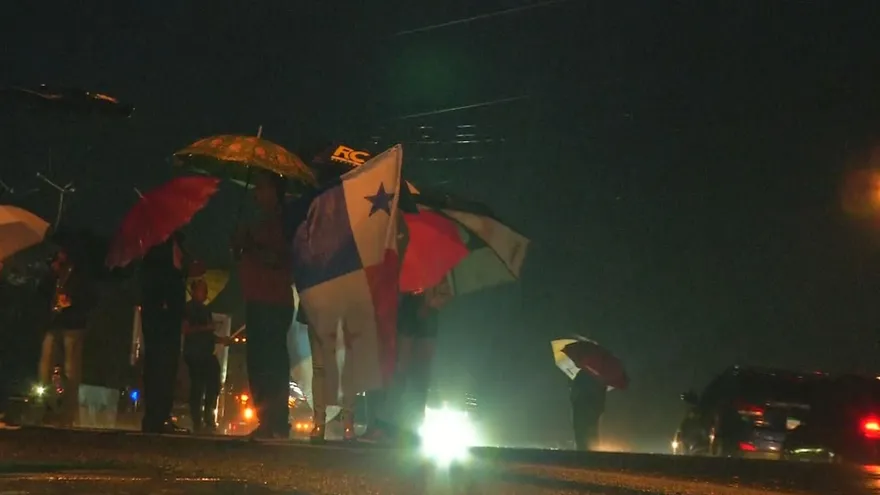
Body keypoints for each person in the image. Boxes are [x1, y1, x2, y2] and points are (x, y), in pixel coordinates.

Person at [233, 171, 294, 440]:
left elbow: (280, 259)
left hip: (272, 300)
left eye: (262, 187)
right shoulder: (261, 222)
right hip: (258, 298)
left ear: (275, 192)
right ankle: (268, 419)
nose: (256, 193)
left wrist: (250, 246)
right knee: (259, 361)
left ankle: (275, 420)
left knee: (269, 361)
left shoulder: (282, 223)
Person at [364, 277, 453, 445]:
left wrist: (432, 302)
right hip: (407, 311)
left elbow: (447, 292)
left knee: (419, 376)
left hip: (425, 315)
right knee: (401, 372)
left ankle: (409, 427)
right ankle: (388, 425)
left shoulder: (434, 268)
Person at [38, 247, 99, 427]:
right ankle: (48, 408)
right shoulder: (53, 272)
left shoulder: (81, 274)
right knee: (46, 366)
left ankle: (67, 413)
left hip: (73, 324)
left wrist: (73, 301)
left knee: (71, 370)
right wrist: (50, 274)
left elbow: (91, 298)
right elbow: (41, 292)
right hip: (54, 323)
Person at [139, 232, 188, 434]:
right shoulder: (158, 246)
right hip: (162, 310)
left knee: (164, 363)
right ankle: (156, 416)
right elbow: (160, 277)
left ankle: (159, 415)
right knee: (161, 362)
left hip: (166, 310)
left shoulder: (169, 245)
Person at [182, 278, 224, 433]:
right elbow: (186, 330)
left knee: (214, 383)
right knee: (197, 386)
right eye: (201, 289)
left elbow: (209, 334)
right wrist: (206, 327)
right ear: (193, 291)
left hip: (207, 353)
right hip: (194, 353)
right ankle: (197, 420)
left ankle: (208, 416)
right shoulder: (188, 308)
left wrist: (221, 339)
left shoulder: (206, 310)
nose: (205, 292)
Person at [570, 369, 606, 451]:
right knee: (592, 432)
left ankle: (583, 452)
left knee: (581, 431)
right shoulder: (599, 378)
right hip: (593, 410)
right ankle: (592, 453)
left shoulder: (582, 376)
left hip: (582, 409)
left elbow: (575, 395)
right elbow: (601, 397)